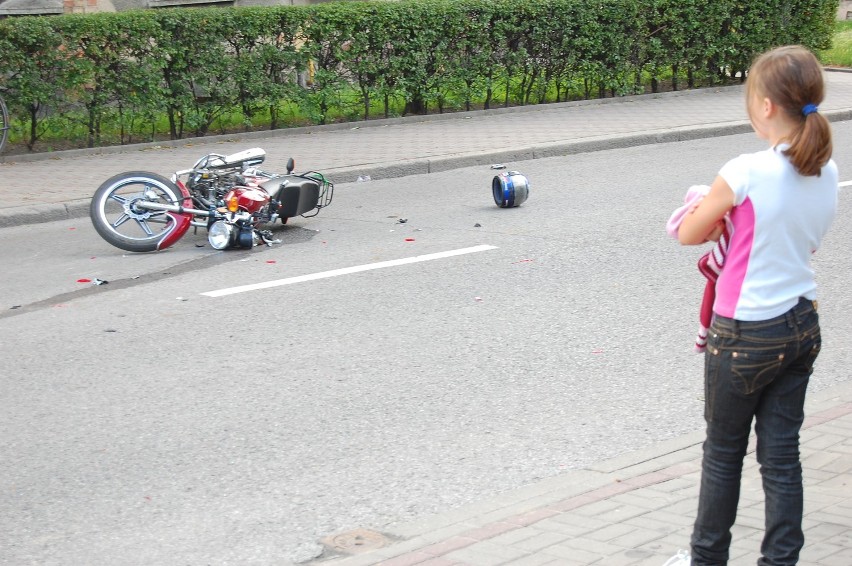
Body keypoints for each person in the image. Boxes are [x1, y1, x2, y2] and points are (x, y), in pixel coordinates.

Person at [665, 45, 839, 566]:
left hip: (744, 333)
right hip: (801, 325)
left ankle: (706, 559)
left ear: (765, 105)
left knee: (722, 456)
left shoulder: (745, 170)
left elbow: (689, 234)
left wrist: (711, 209)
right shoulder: (825, 171)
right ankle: (781, 559)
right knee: (781, 456)